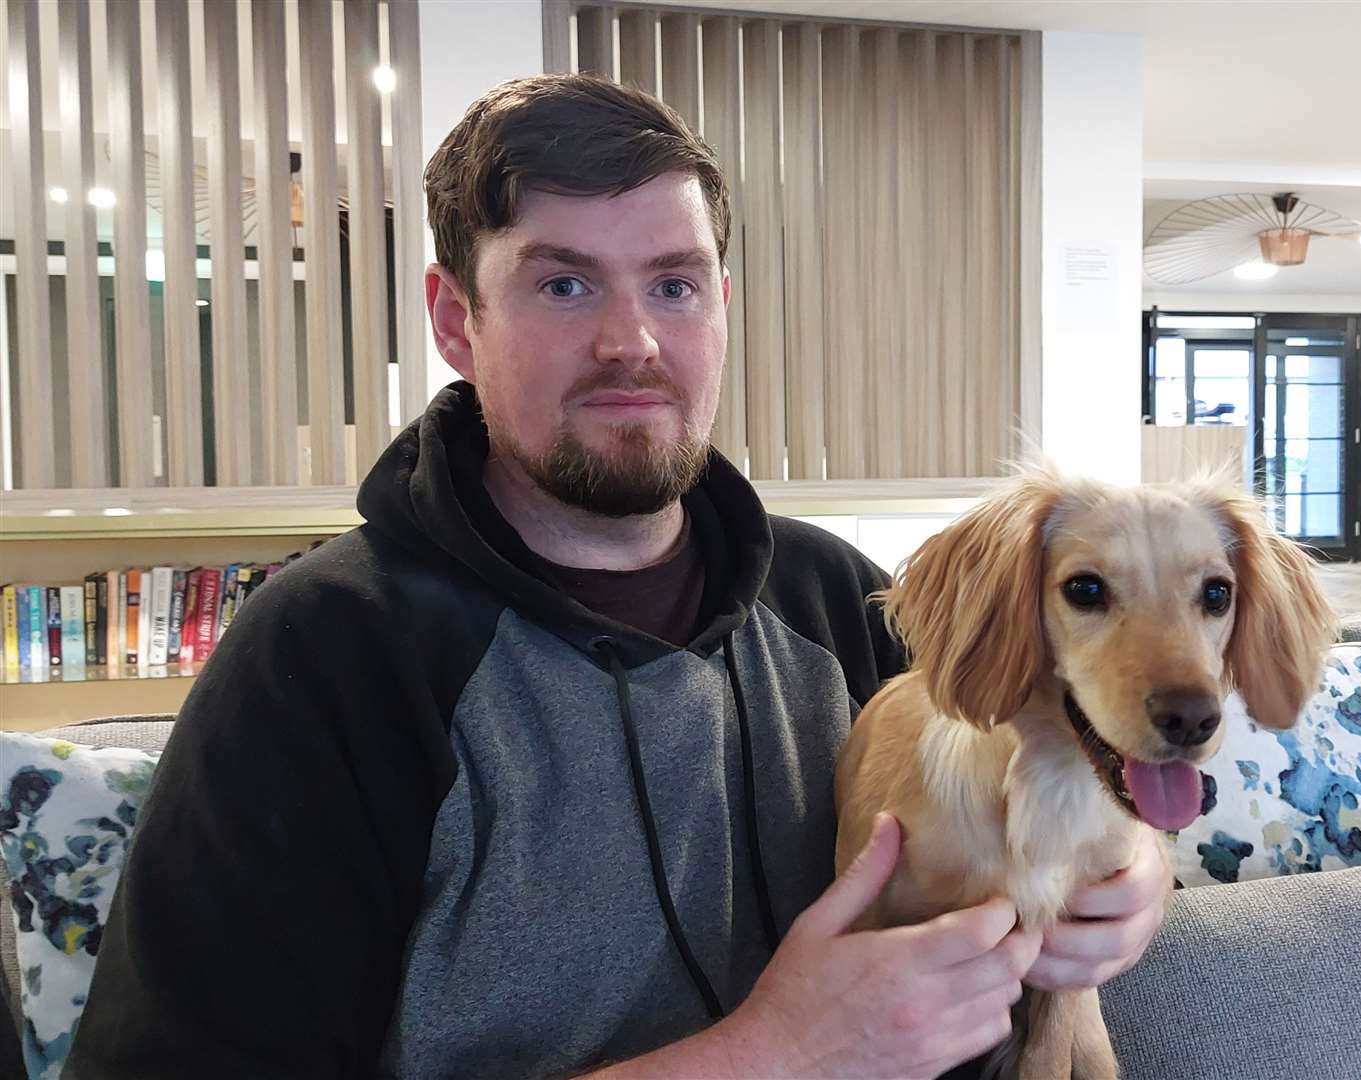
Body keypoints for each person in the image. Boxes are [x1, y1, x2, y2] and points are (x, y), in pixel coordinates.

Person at [67, 74, 1170, 1079]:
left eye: (675, 285)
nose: (632, 341)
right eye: (561, 285)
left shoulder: (840, 601)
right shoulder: (324, 655)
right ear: (457, 319)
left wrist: (1139, 882)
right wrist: (771, 1056)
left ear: (722, 306)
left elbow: (1080, 747)